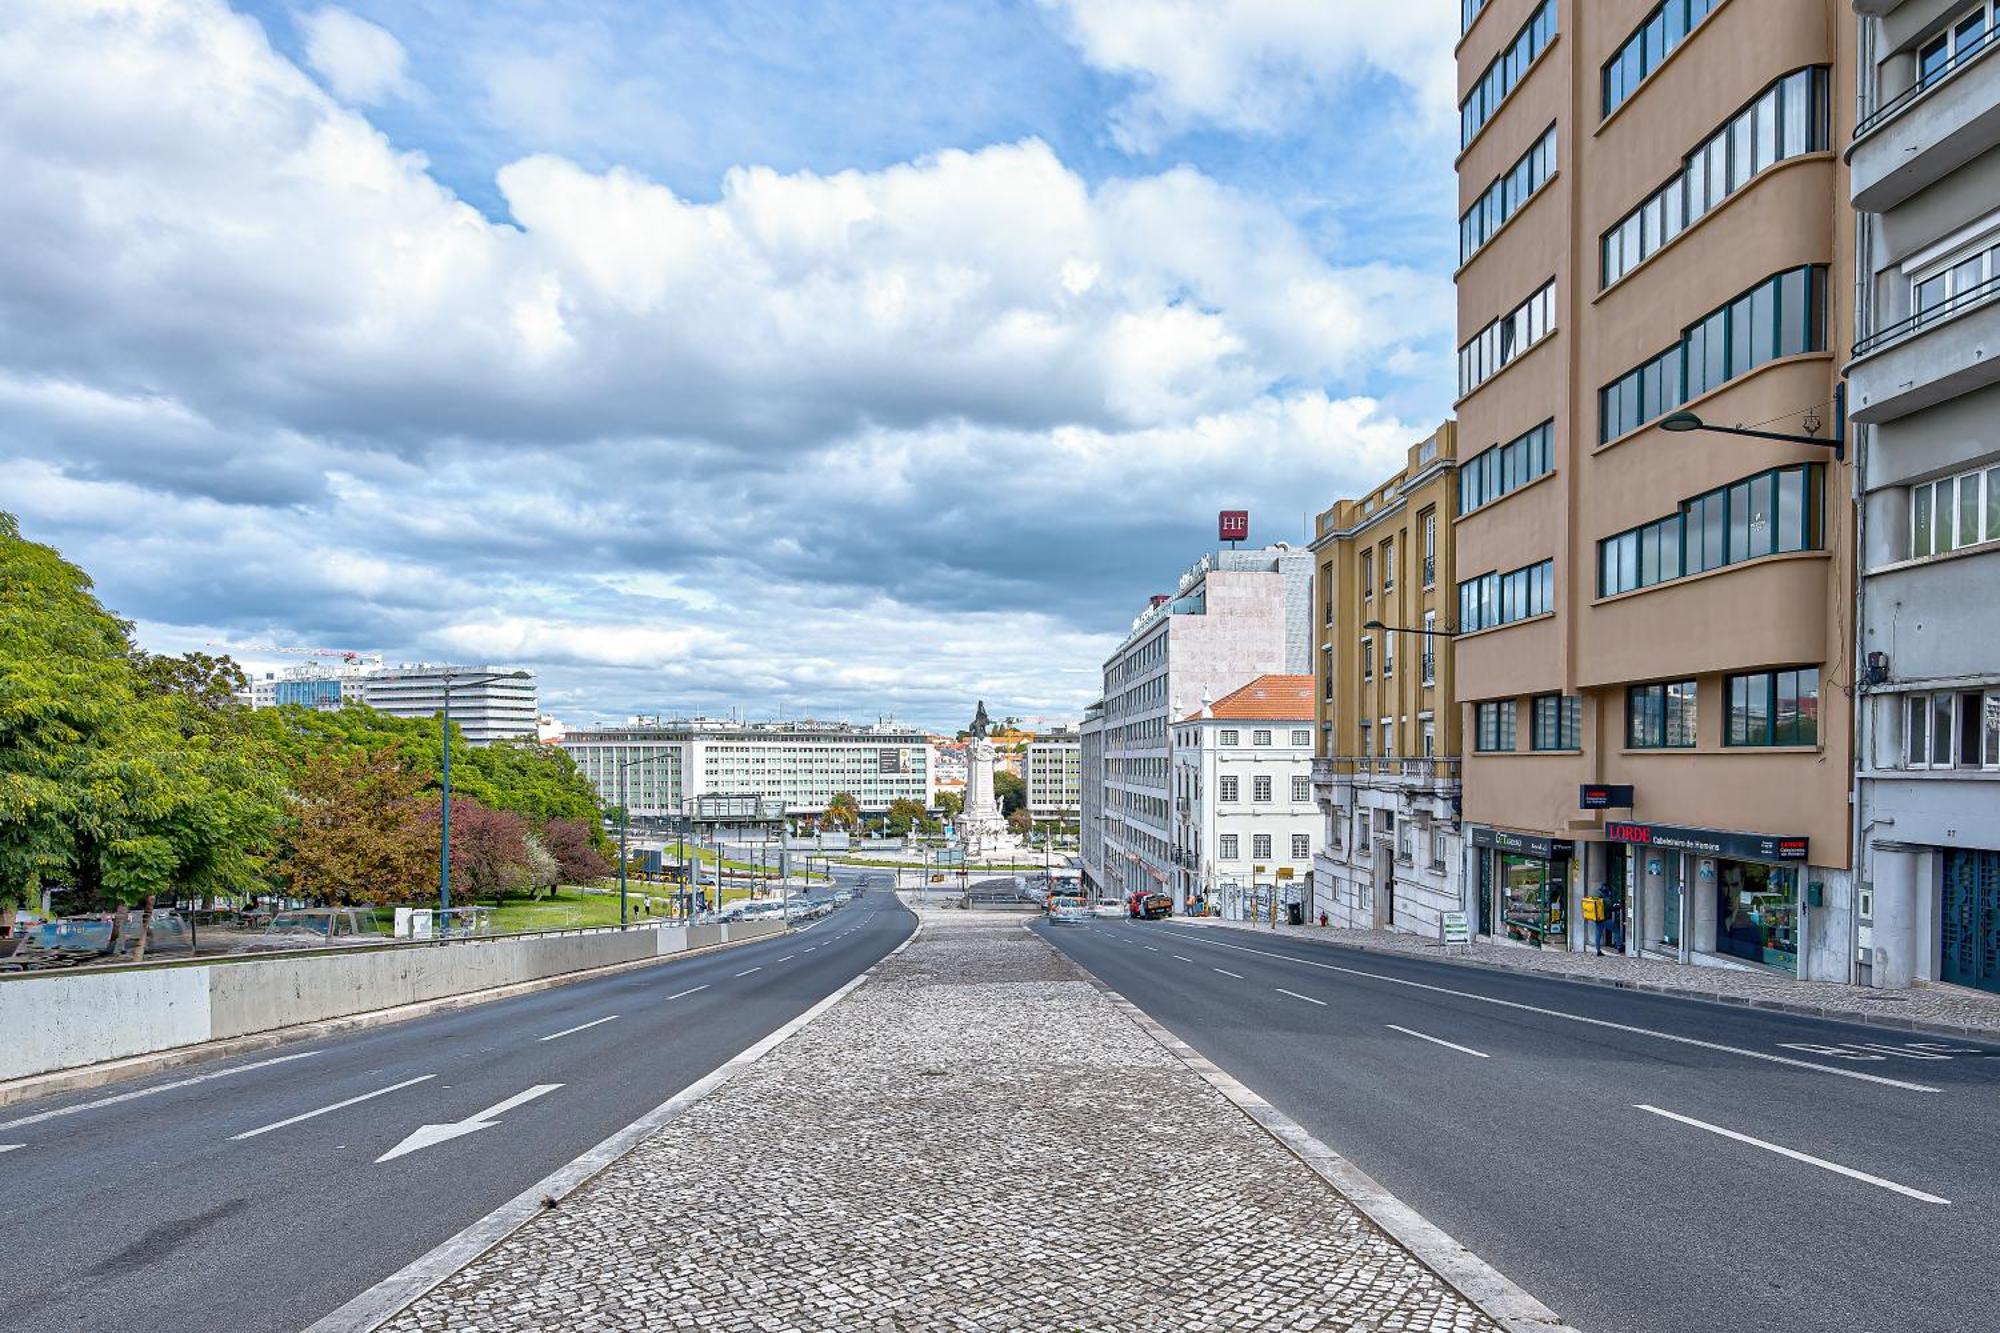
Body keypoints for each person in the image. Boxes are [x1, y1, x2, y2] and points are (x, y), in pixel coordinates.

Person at [1584, 882, 1609, 956]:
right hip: (1603, 918)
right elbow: (1608, 905)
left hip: (1597, 918)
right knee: (1616, 929)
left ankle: (1598, 950)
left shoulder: (1595, 894)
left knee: (1598, 935)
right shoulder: (1603, 896)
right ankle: (1619, 945)